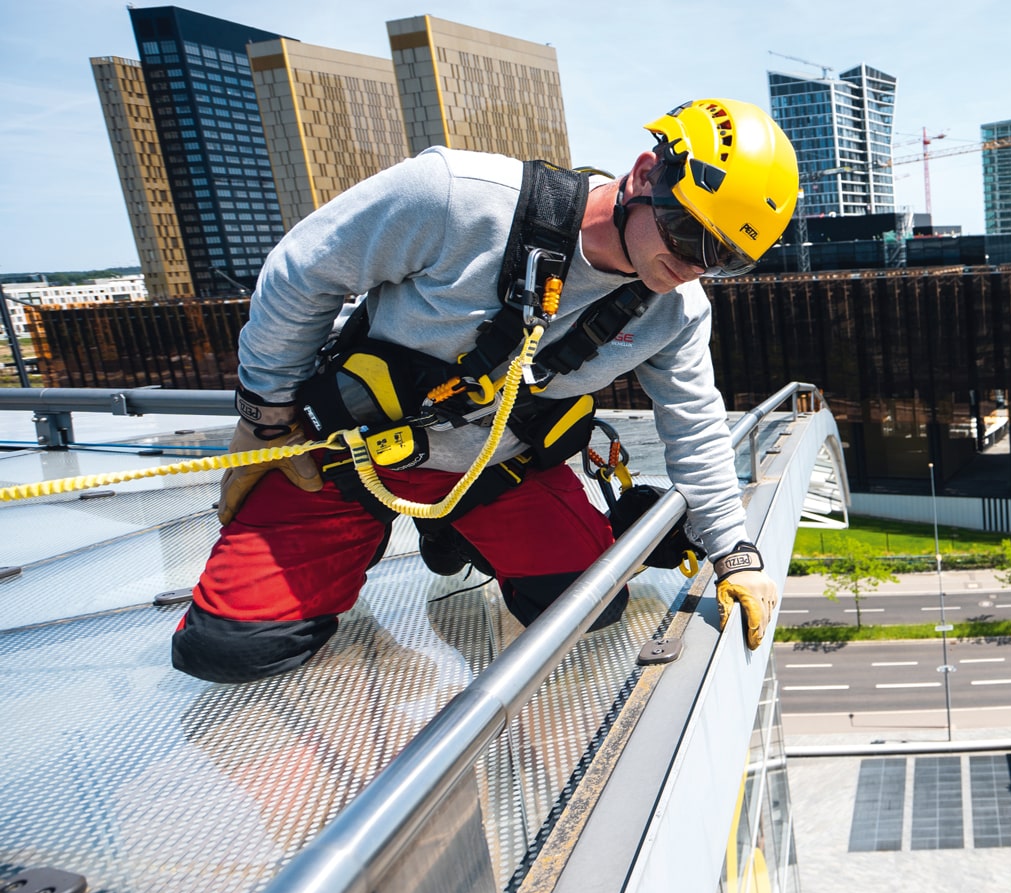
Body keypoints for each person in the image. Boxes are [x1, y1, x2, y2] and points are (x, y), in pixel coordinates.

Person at [172, 98, 796, 684]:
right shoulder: (457, 199)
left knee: (589, 611)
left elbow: (694, 422)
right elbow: (302, 273)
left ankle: (453, 529)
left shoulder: (674, 311)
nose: (695, 267)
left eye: (726, 258)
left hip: (496, 470)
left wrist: (733, 552)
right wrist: (266, 417)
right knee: (228, 649)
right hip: (344, 455)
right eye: (692, 236)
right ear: (644, 175)